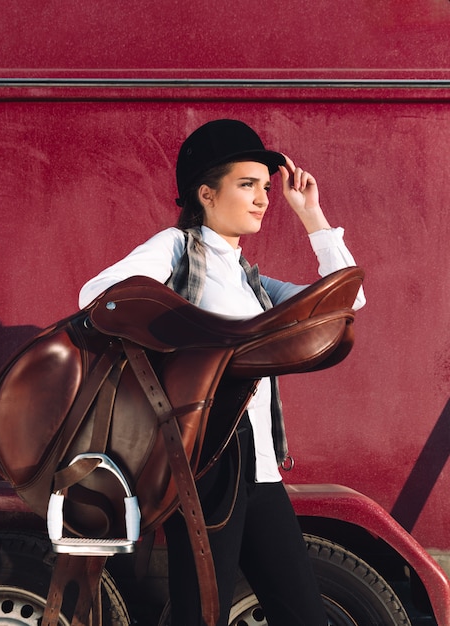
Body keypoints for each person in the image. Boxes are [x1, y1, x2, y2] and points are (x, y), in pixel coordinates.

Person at [79, 119, 365, 626]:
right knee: (200, 614)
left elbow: (348, 299)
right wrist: (192, 336)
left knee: (303, 614)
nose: (263, 199)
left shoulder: (252, 282)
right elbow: (98, 297)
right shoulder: (177, 250)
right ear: (206, 193)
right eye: (247, 184)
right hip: (204, 465)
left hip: (260, 468)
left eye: (267, 188)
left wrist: (313, 216)